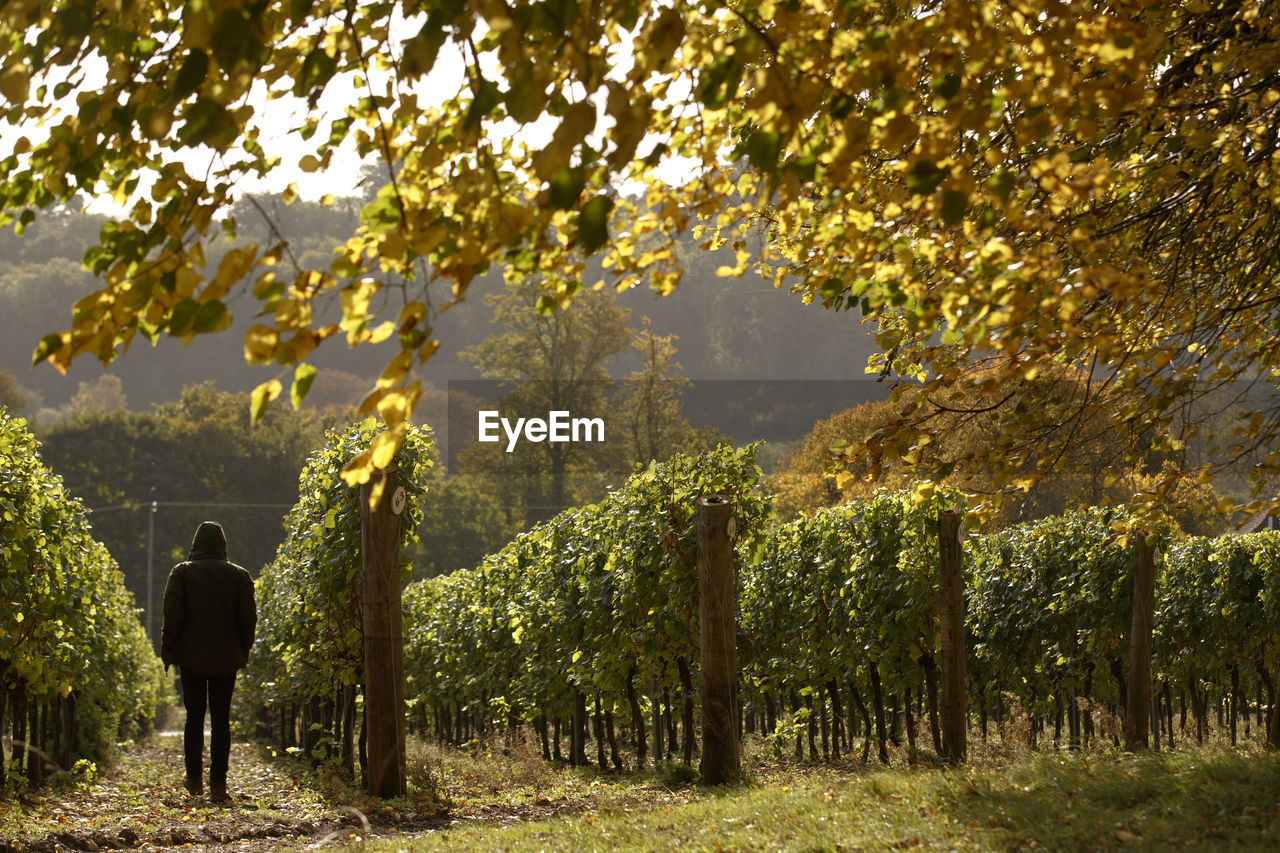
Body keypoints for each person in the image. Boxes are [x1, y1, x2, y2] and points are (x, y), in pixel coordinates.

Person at [160, 521, 256, 803]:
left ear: (195, 544)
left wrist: (169, 650)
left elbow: (172, 615)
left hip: (190, 658)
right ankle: (218, 784)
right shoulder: (240, 576)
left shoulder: (182, 573)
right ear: (223, 545)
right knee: (221, 719)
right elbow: (248, 619)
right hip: (226, 660)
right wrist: (242, 651)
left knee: (194, 717)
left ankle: (193, 780)